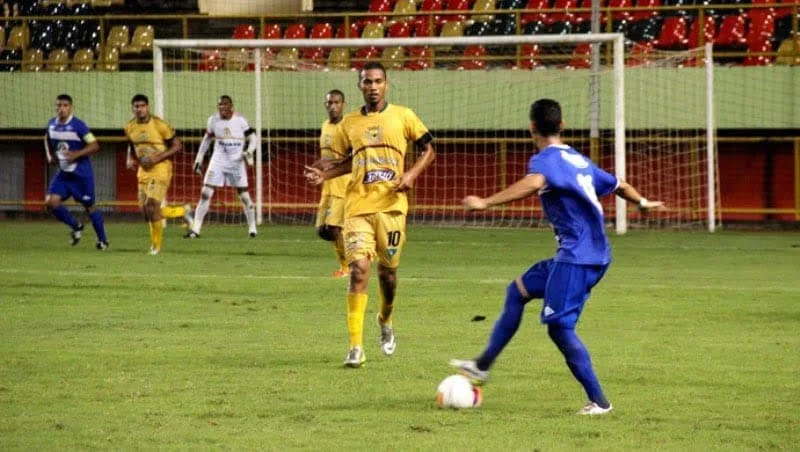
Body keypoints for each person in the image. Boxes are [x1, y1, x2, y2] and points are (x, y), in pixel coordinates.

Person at [449, 99, 664, 415]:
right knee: (518, 291)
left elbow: (534, 182)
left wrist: (485, 202)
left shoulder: (544, 161)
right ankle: (482, 365)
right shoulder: (577, 159)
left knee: (560, 329)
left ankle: (600, 402)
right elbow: (620, 184)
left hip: (577, 258)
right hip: (588, 254)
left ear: (531, 127)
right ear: (562, 125)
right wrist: (642, 203)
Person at [304, 62, 436, 368]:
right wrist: (325, 175)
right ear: (360, 86)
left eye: (378, 81)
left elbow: (430, 149)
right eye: (367, 82)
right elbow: (350, 161)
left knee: (388, 275)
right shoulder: (349, 123)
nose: (373, 86)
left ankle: (385, 318)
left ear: (386, 85)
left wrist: (412, 174)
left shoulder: (404, 115)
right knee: (359, 270)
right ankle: (355, 347)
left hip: (391, 207)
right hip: (358, 207)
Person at [124, 94, 192, 255]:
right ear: (132, 109)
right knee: (146, 212)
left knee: (151, 205)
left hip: (161, 168)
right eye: (136, 106)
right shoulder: (129, 127)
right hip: (143, 170)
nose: (139, 109)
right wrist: (129, 158)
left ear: (148, 107)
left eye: (142, 106)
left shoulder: (160, 125)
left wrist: (157, 158)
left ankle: (156, 247)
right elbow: (130, 144)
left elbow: (177, 145)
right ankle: (182, 211)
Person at [184, 95, 258, 239]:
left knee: (243, 195)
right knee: (205, 192)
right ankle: (195, 230)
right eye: (219, 105)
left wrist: (249, 151)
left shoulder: (240, 120)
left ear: (231, 106)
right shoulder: (213, 120)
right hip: (218, 160)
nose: (222, 107)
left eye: (225, 104)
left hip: (236, 161)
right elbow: (206, 140)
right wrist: (198, 160)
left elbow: (253, 137)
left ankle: (252, 229)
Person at [44, 94, 109, 249]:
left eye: (65, 105)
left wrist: (76, 154)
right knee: (51, 202)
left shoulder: (79, 125)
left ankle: (103, 240)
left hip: (81, 174)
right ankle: (76, 225)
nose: (61, 109)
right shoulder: (52, 124)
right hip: (64, 174)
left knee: (90, 206)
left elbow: (94, 145)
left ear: (71, 107)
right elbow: (46, 137)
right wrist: (49, 154)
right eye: (58, 105)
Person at [311, 89, 350, 277]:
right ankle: (349, 259)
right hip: (327, 185)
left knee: (334, 229)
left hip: (343, 185)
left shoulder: (348, 126)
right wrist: (316, 167)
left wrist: (330, 163)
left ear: (343, 104)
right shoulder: (325, 125)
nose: (333, 106)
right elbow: (325, 156)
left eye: (337, 103)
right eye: (330, 103)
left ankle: (346, 267)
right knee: (322, 230)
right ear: (325, 105)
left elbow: (353, 156)